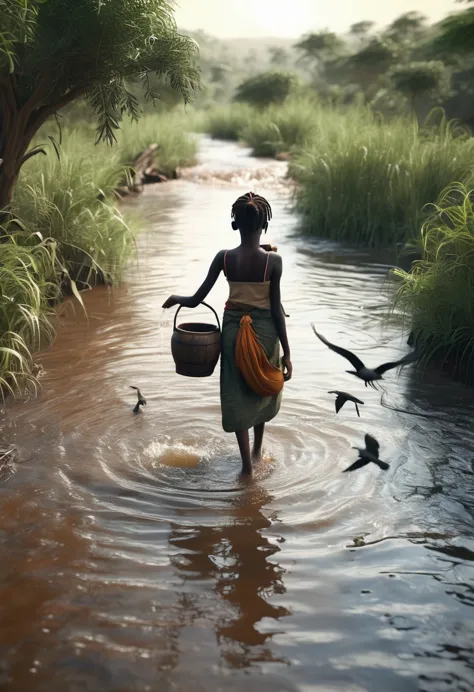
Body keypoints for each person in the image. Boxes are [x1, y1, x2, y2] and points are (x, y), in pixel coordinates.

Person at [162, 192, 292, 475]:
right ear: (264, 227)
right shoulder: (275, 262)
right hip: (266, 335)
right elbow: (275, 311)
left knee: (237, 394)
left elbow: (196, 299)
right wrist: (288, 353)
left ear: (235, 225)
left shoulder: (224, 258)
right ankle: (259, 452)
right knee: (261, 389)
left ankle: (247, 467)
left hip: (234, 334)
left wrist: (176, 298)